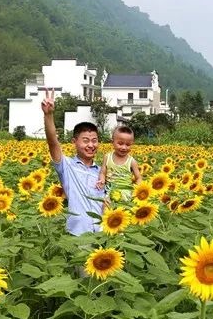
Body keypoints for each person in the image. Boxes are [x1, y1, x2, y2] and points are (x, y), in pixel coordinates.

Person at [42, 89, 105, 235]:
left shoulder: (102, 171)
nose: (91, 145)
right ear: (74, 142)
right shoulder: (67, 166)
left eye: (94, 141)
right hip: (78, 235)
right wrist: (49, 115)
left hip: (102, 234)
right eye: (86, 141)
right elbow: (53, 142)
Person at [96, 126, 142, 205]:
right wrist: (102, 180)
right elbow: (102, 173)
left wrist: (137, 190)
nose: (124, 147)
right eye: (120, 143)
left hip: (126, 193)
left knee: (125, 213)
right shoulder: (107, 157)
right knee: (105, 206)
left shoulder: (132, 161)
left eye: (128, 145)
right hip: (109, 190)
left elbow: (138, 178)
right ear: (112, 142)